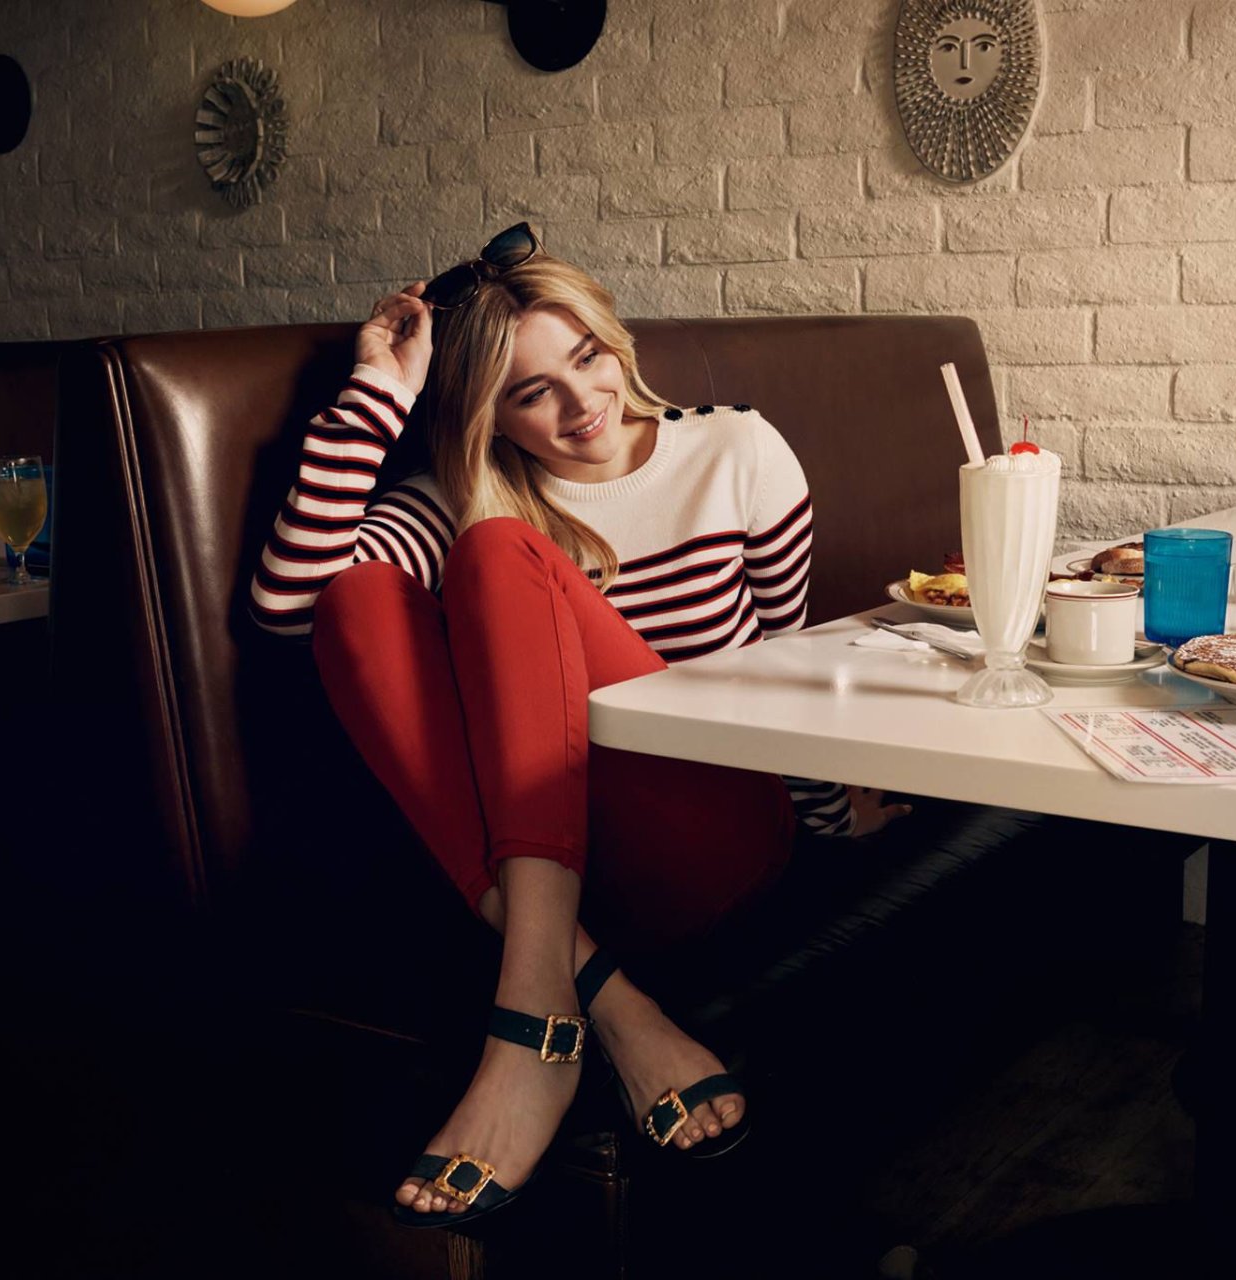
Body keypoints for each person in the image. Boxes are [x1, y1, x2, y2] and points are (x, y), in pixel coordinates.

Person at [248, 224, 911, 1228]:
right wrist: (378, 392)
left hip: (707, 833)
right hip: (553, 873)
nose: (580, 403)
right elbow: (292, 607)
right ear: (490, 415)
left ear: (614, 340)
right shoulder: (461, 498)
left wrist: (830, 816)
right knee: (366, 595)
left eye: (587, 358)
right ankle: (596, 1003)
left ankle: (530, 1025)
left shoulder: (733, 449)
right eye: (531, 393)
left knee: (496, 553)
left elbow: (784, 665)